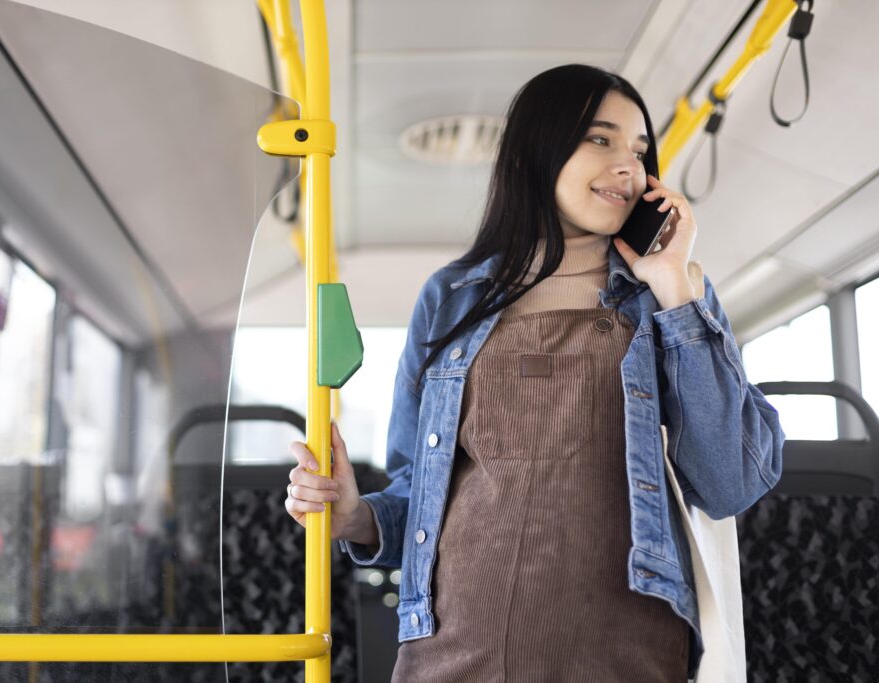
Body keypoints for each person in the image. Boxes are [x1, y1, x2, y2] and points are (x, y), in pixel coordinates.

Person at [284, 64, 784, 682]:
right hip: (457, 646)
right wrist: (357, 516)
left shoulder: (672, 298)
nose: (628, 165)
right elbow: (422, 490)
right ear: (532, 154)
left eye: (639, 149)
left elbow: (731, 481)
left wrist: (677, 289)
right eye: (600, 139)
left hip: (621, 651)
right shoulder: (451, 297)